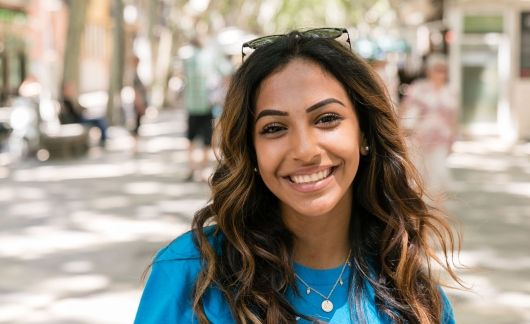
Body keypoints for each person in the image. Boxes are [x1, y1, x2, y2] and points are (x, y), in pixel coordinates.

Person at [135, 28, 461, 323]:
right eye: (274, 128)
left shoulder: (415, 298)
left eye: (326, 119)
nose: (304, 150)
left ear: (364, 133)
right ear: (251, 150)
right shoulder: (188, 274)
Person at [400, 54, 458, 199]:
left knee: (438, 174)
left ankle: (437, 213)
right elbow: (405, 109)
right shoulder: (418, 87)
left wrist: (453, 139)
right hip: (419, 138)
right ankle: (420, 211)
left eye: (443, 70)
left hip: (441, 140)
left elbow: (454, 117)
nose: (440, 73)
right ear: (429, 71)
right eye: (437, 69)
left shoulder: (450, 90)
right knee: (418, 176)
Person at [182, 37, 214, 181]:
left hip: (192, 106)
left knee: (190, 139)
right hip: (206, 106)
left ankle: (191, 167)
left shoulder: (187, 58)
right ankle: (203, 170)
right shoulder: (208, 57)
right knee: (207, 141)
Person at [60, 82, 108, 146]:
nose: (72, 91)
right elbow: (73, 114)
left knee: (100, 118)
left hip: (79, 118)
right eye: (69, 89)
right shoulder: (65, 101)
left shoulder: (70, 99)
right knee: (99, 120)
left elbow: (77, 110)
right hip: (77, 120)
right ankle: (104, 139)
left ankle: (104, 138)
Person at [131, 56, 148, 153]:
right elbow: (136, 91)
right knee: (136, 125)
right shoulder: (134, 75)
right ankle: (135, 146)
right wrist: (139, 104)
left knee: (138, 124)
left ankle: (136, 146)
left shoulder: (136, 73)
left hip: (138, 102)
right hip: (137, 103)